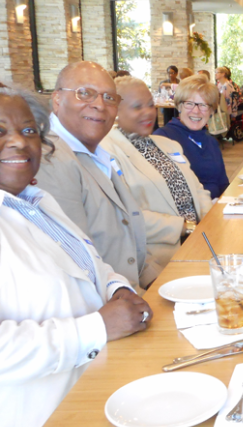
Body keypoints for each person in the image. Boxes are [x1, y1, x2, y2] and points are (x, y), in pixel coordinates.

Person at [0, 71, 152, 427]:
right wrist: (97, 327)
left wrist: (117, 288)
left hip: (84, 390)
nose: (19, 143)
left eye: (28, 131)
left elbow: (90, 265)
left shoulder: (33, 201)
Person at [36, 61, 161, 292]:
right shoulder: (52, 159)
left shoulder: (95, 151)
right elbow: (77, 264)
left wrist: (159, 281)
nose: (99, 105)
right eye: (85, 94)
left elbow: (127, 235)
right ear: (57, 99)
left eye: (109, 98)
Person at [103, 76, 213, 267]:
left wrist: (208, 220)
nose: (148, 113)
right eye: (137, 107)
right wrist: (185, 227)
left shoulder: (168, 145)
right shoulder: (106, 152)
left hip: (201, 240)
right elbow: (124, 215)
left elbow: (198, 189)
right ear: (115, 110)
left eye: (150, 105)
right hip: (159, 257)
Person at [154, 75, 230, 198]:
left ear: (211, 111)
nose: (196, 111)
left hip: (215, 211)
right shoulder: (163, 138)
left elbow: (224, 186)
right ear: (179, 106)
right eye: (189, 103)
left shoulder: (211, 142)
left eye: (203, 105)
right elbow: (162, 193)